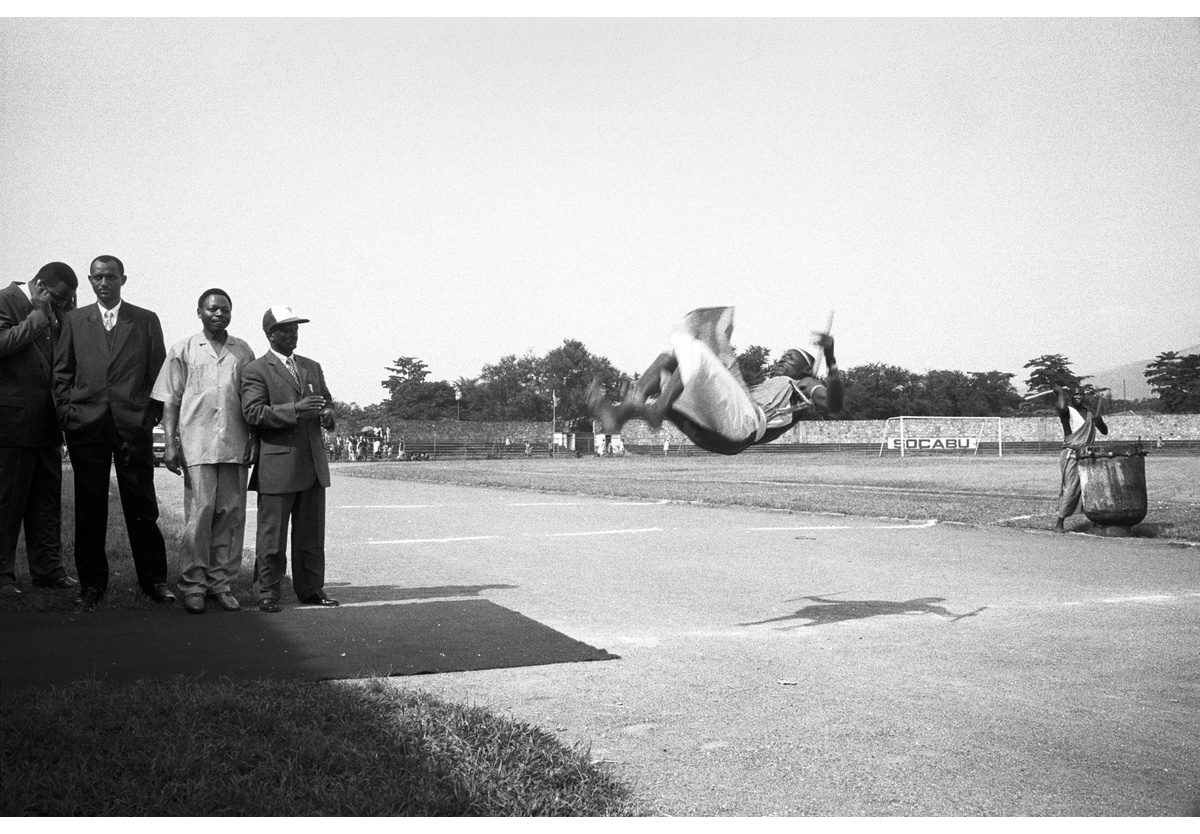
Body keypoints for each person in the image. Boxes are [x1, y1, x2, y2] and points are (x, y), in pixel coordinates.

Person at [53, 256, 174, 609]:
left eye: (110, 277)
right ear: (90, 281)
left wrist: (147, 418)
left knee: (142, 506)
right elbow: (62, 373)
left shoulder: (145, 320)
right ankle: (91, 585)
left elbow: (158, 377)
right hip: (86, 426)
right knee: (89, 508)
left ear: (123, 279)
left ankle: (154, 580)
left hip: (131, 427)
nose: (103, 283)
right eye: (97, 277)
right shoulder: (74, 321)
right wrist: (68, 415)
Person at [588, 306, 843, 455]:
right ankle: (620, 414)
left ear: (806, 369)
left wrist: (830, 358)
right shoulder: (769, 385)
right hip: (720, 427)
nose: (780, 361)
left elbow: (834, 405)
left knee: (696, 349)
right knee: (674, 353)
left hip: (745, 425)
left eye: (789, 358)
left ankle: (656, 410)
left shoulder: (801, 386)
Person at [151, 289, 256, 615]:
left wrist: (254, 437)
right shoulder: (183, 349)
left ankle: (220, 584)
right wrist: (170, 443)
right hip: (197, 444)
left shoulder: (242, 350)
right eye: (212, 309)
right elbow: (170, 400)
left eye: (225, 309)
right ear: (199, 312)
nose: (219, 314)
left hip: (234, 443)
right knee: (200, 516)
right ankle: (193, 585)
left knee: (229, 515)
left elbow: (253, 399)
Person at [241, 306, 338, 613]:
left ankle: (311, 589)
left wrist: (329, 415)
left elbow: (327, 400)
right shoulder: (256, 370)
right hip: (278, 465)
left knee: (311, 536)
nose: (293, 333)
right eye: (285, 329)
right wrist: (296, 408)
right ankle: (267, 591)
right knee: (272, 537)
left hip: (312, 466)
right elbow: (253, 413)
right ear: (270, 334)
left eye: (296, 328)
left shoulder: (312, 366)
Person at [0, 262, 80, 596]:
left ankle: (48, 570)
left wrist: (65, 318)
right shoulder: (6, 300)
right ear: (41, 287)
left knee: (46, 503)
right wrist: (37, 314)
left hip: (48, 423)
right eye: (60, 299)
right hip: (13, 424)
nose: (63, 306)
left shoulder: (57, 312)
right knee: (6, 503)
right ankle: (2, 575)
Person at [1052, 384, 1109, 533]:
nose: (1078, 397)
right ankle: (1060, 523)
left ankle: (1095, 520)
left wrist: (1099, 421)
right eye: (1075, 395)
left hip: (1087, 454)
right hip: (1071, 454)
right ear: (1070, 397)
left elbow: (1104, 431)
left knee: (1090, 487)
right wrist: (1059, 393)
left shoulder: (1090, 413)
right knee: (1070, 487)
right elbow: (1061, 405)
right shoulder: (1067, 411)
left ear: (1084, 396)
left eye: (1080, 394)